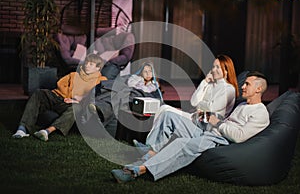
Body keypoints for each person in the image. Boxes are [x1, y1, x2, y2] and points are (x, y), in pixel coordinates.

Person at [111, 71, 270, 183]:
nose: (243, 87)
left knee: (180, 144)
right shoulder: (243, 105)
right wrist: (209, 118)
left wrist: (217, 123)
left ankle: (137, 170)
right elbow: (227, 121)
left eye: (247, 84)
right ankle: (150, 151)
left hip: (218, 140)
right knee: (169, 115)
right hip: (209, 130)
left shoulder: (260, 113)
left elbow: (239, 136)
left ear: (258, 89)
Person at [12, 53, 107, 141]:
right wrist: (68, 96)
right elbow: (60, 84)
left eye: (91, 64)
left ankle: (47, 131)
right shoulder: (73, 75)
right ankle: (22, 129)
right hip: (58, 97)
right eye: (86, 62)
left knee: (76, 108)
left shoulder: (100, 80)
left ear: (98, 68)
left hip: (72, 105)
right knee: (39, 93)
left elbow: (97, 95)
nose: (87, 65)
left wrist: (77, 99)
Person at [147, 54, 239, 144]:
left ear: (226, 70)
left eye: (218, 67)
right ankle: (151, 143)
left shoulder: (229, 89)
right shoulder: (209, 84)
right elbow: (194, 102)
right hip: (195, 117)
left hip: (206, 125)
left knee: (166, 113)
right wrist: (205, 82)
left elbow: (211, 108)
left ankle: (150, 144)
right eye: (213, 66)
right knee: (163, 108)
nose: (214, 70)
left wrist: (201, 104)